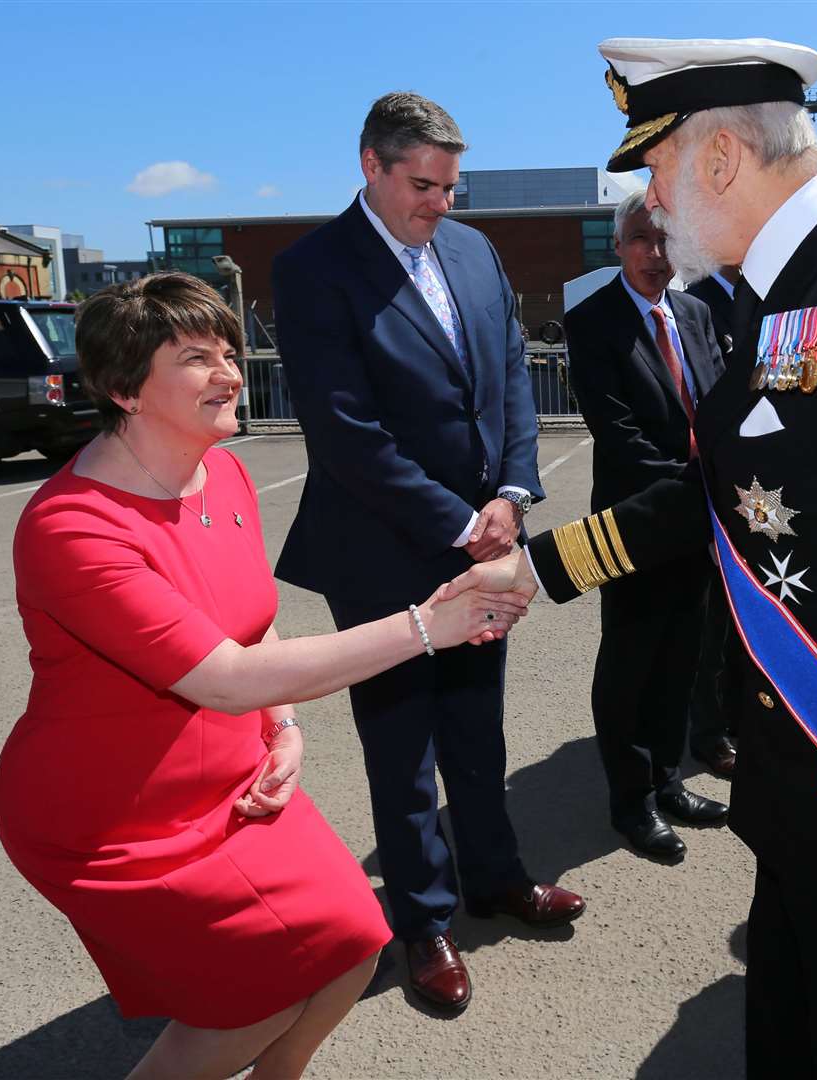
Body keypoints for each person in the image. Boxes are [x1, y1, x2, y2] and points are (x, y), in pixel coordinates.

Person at [453, 37, 817, 1078]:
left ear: (720, 157)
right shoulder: (789, 297)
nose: (652, 201)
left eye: (656, 170)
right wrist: (541, 569)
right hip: (804, 802)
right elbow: (728, 492)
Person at [0, 273, 529, 1078]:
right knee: (254, 998)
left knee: (353, 948)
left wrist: (280, 724)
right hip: (113, 818)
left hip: (230, 776)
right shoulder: (73, 527)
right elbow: (224, 676)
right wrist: (430, 626)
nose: (230, 373)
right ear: (122, 390)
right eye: (196, 358)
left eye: (230, 353)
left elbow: (247, 624)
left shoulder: (224, 473)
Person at [271, 91, 583, 1016]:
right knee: (402, 748)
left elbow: (512, 385)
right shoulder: (314, 268)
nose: (439, 204)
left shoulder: (475, 251)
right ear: (369, 164)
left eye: (450, 186)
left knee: (477, 726)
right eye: (421, 185)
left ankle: (495, 878)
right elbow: (343, 430)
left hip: (484, 534)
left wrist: (512, 495)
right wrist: (460, 520)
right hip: (381, 549)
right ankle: (423, 922)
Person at [567, 190, 729, 860]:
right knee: (630, 664)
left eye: (665, 241)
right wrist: (697, 483)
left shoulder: (693, 312)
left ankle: (666, 779)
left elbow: (718, 405)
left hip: (696, 522)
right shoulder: (592, 321)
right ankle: (629, 801)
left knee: (681, 656)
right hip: (634, 522)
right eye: (641, 239)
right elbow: (619, 432)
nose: (654, 255)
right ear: (617, 244)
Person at [681, 266, 742, 779]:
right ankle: (708, 728)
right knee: (711, 620)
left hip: (758, 481)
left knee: (750, 614)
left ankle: (740, 715)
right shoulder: (699, 302)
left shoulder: (768, 294)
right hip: (710, 481)